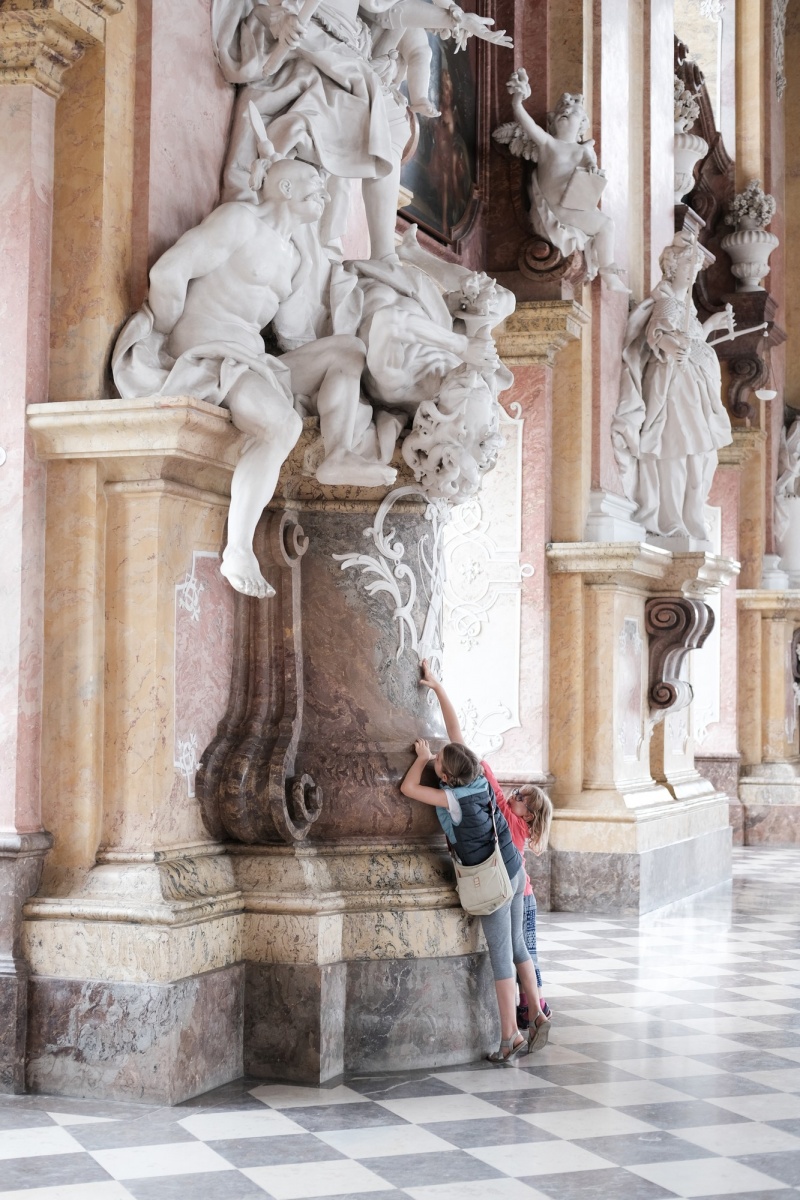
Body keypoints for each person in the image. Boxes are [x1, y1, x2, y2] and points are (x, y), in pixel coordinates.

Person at [112, 156, 395, 600]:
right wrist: (162, 334)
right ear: (285, 188)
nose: (325, 195)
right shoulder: (240, 221)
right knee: (282, 426)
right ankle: (238, 551)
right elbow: (169, 271)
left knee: (348, 349)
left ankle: (338, 452)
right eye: (315, 184)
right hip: (211, 349)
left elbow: (291, 332)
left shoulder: (296, 257)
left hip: (255, 358)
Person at [400, 666, 551, 1064]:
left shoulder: (453, 799)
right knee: (518, 946)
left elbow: (409, 788)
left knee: (501, 957)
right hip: (514, 870)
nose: (437, 760)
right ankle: (536, 1013)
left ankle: (510, 1036)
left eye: (439, 764)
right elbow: (455, 733)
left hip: (492, 883)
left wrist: (421, 759)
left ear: (447, 776)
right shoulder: (480, 775)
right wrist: (437, 687)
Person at [611, 232, 734, 541]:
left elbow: (690, 338)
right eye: (688, 265)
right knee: (678, 450)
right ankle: (671, 519)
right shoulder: (667, 302)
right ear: (673, 267)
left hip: (695, 389)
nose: (693, 272)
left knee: (700, 456)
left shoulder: (686, 307)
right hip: (674, 386)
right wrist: (673, 347)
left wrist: (710, 325)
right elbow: (658, 333)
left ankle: (691, 517)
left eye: (696, 267)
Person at [494, 68, 628, 292]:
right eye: (561, 110)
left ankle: (608, 273)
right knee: (606, 225)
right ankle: (608, 273)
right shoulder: (549, 144)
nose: (566, 110)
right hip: (555, 210)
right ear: (552, 121)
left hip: (573, 206)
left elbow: (591, 168)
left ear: (582, 123)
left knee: (607, 224)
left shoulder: (583, 150)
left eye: (573, 111)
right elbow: (527, 124)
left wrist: (593, 169)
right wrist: (518, 101)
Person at [492, 780, 553, 1030]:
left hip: (524, 897)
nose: (512, 796)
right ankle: (529, 1004)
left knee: (527, 953)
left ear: (528, 815)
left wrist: (483, 765)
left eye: (519, 797)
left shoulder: (514, 822)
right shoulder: (516, 817)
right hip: (522, 894)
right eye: (516, 791)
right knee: (523, 952)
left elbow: (497, 795)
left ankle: (537, 1004)